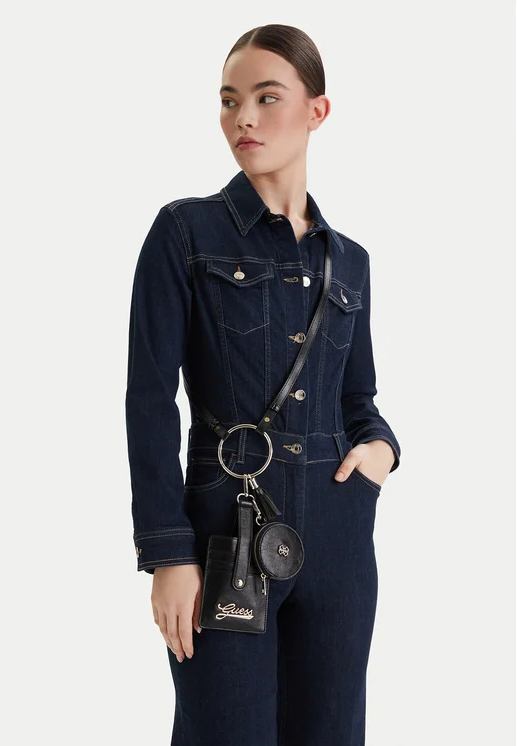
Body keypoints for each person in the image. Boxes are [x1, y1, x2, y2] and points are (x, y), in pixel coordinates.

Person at [125, 23, 401, 746]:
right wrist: (167, 552)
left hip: (340, 538)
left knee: (332, 732)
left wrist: (382, 452)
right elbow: (149, 401)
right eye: (229, 100)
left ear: (317, 111)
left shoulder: (350, 262)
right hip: (226, 528)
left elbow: (359, 400)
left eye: (266, 97)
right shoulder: (184, 233)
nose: (242, 118)